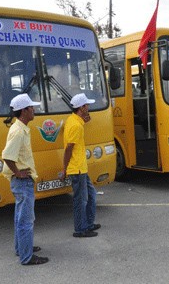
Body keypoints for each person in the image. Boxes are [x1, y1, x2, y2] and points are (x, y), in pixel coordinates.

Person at [2, 94, 49, 266]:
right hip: (22, 181)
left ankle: (21, 248)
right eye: (31, 108)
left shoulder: (20, 128)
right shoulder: (18, 131)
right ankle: (26, 256)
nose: (34, 110)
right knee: (26, 220)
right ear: (24, 111)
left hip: (22, 181)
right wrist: (18, 172)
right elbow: (7, 156)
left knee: (20, 218)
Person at [61, 93, 101, 238]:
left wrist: (85, 121)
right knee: (80, 200)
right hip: (77, 169)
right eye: (86, 105)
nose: (88, 107)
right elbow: (68, 148)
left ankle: (88, 224)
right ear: (81, 108)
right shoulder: (76, 125)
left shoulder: (73, 120)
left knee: (91, 195)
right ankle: (80, 229)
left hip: (81, 167)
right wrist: (65, 169)